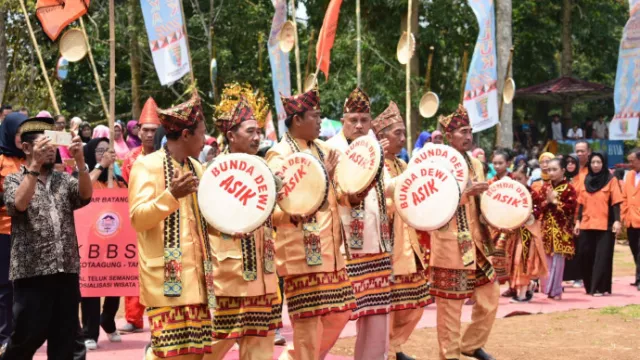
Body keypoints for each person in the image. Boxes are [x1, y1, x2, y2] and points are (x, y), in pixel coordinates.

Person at [266, 87, 356, 360]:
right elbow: (279, 206)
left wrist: (354, 192)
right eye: (315, 116)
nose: (320, 121)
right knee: (307, 324)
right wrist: (323, 178)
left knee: (341, 311)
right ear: (296, 120)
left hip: (331, 252)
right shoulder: (278, 155)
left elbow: (339, 193)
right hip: (301, 253)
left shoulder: (325, 149)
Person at [129, 93, 215, 359]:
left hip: (198, 280)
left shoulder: (197, 168)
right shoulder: (146, 166)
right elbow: (138, 218)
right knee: (170, 354)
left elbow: (204, 220)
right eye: (201, 134)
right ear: (187, 135)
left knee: (195, 354)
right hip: (166, 281)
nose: (204, 140)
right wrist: (170, 196)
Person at [2, 115, 92, 359]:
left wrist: (81, 162)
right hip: (32, 275)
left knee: (66, 342)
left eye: (53, 143)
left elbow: (85, 195)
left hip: (67, 273)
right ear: (27, 147)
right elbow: (18, 204)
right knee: (25, 339)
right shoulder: (14, 179)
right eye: (44, 145)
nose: (51, 150)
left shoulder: (63, 180)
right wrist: (34, 167)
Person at [209, 95, 282, 359]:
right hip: (230, 275)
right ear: (231, 135)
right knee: (214, 344)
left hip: (264, 275)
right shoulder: (214, 171)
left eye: (259, 131)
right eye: (250, 131)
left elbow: (275, 216)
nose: (257, 137)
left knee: (261, 345)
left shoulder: (265, 168)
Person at [327, 87, 394, 360]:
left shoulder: (374, 147)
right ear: (343, 119)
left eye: (364, 120)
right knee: (336, 314)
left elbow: (388, 186)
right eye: (353, 119)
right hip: (343, 245)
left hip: (376, 240)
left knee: (377, 314)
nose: (358, 125)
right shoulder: (331, 148)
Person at [428, 105, 498, 360]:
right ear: (449, 136)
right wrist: (464, 194)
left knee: (491, 295)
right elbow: (430, 204)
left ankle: (471, 343)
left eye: (470, 131)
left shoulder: (476, 163)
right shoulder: (436, 163)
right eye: (462, 132)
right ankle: (450, 355)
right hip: (450, 243)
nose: (468, 137)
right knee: (450, 305)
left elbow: (482, 203)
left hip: (476, 242)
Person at [373, 102, 431, 360]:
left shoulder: (401, 165)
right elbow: (377, 203)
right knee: (390, 304)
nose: (403, 138)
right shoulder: (374, 165)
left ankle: (394, 346)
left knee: (417, 300)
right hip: (388, 245)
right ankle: (385, 350)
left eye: (403, 133)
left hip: (410, 243)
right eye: (397, 133)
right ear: (382, 136)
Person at [78, 138, 125, 350]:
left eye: (109, 151)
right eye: (100, 151)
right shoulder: (86, 177)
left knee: (116, 282)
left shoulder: (119, 181)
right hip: (89, 241)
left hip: (116, 241)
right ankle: (89, 331)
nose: (105, 154)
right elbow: (81, 190)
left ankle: (107, 319)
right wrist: (100, 166)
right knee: (91, 286)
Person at [119, 98, 161, 334]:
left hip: (162, 219)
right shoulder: (130, 159)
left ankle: (158, 315)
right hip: (136, 218)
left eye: (153, 130)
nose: (148, 134)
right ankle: (134, 318)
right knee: (135, 268)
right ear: (138, 131)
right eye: (145, 130)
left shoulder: (168, 156)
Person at [574, 153, 623, 296]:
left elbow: (616, 202)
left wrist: (617, 221)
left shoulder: (611, 180)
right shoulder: (586, 180)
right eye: (593, 162)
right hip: (586, 224)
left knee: (602, 258)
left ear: (604, 163)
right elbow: (581, 204)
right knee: (585, 255)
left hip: (605, 225)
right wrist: (577, 221)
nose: (596, 165)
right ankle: (590, 287)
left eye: (599, 162)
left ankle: (599, 288)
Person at [0, 113, 28, 351]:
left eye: (24, 132)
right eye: (17, 132)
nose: (21, 137)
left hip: (29, 233)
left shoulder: (32, 160)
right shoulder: (0, 160)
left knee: (26, 286)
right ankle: (3, 338)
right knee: (5, 287)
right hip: (4, 231)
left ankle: (22, 334)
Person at [508, 165, 548, 302]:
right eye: (515, 179)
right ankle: (527, 286)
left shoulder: (532, 194)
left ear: (527, 178)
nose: (517, 181)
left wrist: (527, 215)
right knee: (516, 262)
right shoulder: (511, 194)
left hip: (528, 233)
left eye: (520, 178)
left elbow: (537, 212)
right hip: (516, 233)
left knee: (524, 261)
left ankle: (522, 294)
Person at [540, 158, 577, 300]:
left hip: (562, 231)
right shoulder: (545, 188)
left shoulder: (569, 188)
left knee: (558, 262)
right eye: (549, 170)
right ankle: (546, 289)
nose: (551, 172)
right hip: (546, 230)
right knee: (547, 261)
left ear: (563, 170)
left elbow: (571, 209)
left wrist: (555, 203)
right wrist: (546, 202)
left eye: (554, 169)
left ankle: (555, 290)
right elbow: (538, 207)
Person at [622, 149, 640, 290]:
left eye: (632, 160)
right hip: (630, 219)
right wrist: (623, 215)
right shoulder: (629, 176)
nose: (630, 163)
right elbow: (624, 197)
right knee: (634, 249)